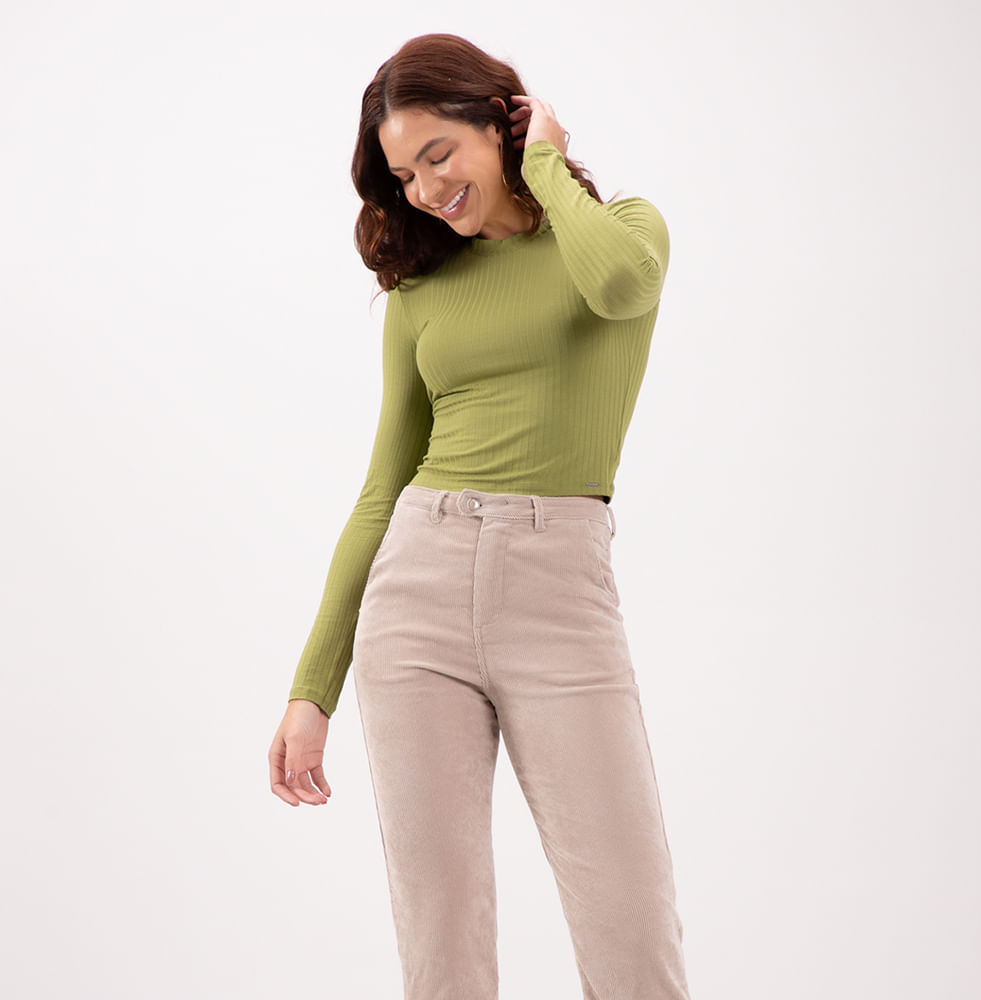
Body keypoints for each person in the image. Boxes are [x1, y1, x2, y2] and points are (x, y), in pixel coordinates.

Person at [268, 32, 692, 1000]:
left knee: (627, 916)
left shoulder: (623, 230)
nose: (425, 190)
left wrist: (544, 160)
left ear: (499, 123)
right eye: (402, 176)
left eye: (439, 156)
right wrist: (311, 687)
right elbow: (382, 486)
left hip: (561, 592)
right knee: (440, 930)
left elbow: (620, 288)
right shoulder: (421, 292)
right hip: (416, 590)